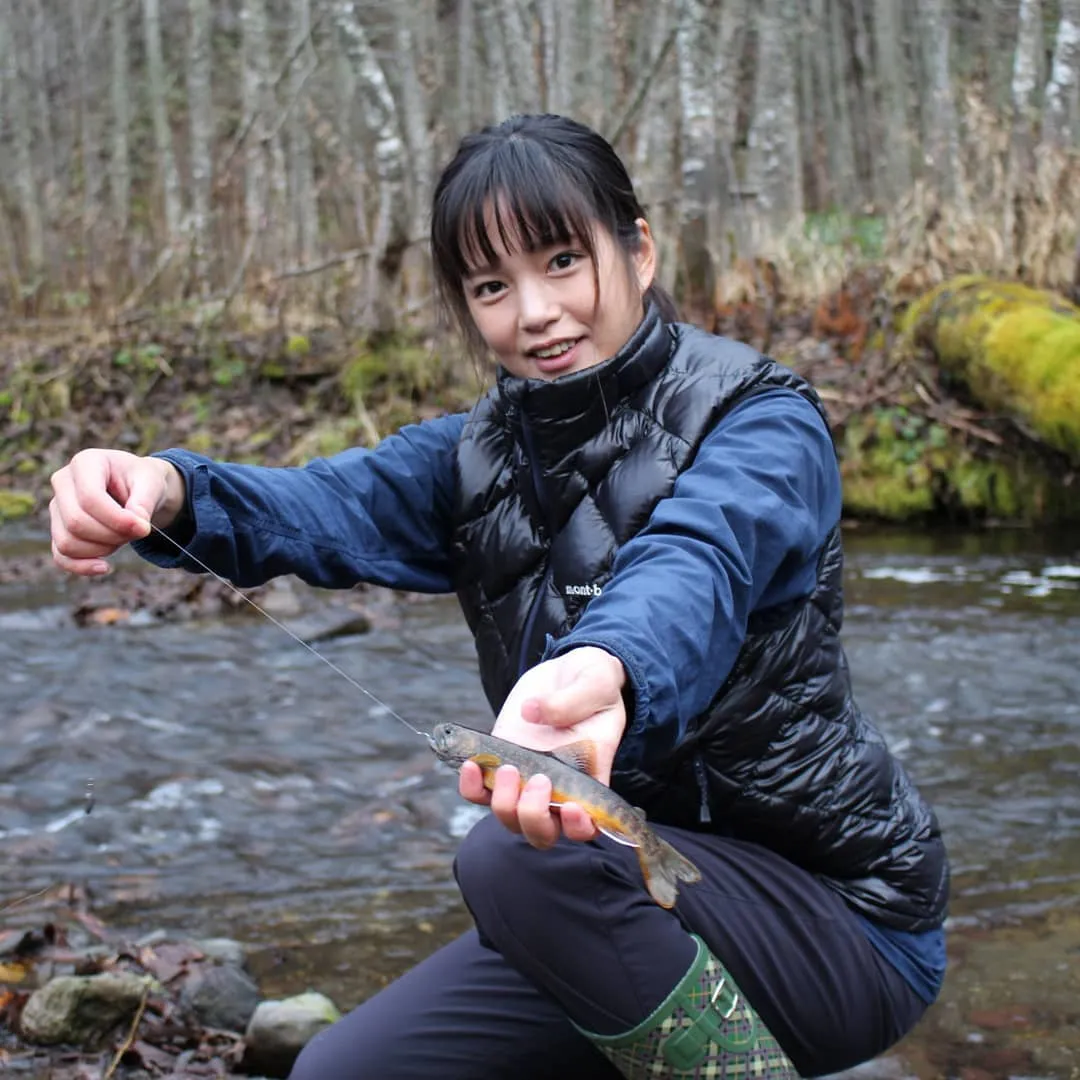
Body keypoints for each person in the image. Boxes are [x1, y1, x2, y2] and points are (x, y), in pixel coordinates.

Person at [49, 114, 949, 1080]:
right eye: (491, 286)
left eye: (564, 261)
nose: (534, 313)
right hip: (614, 901)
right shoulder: (469, 459)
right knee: (339, 1073)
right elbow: (315, 504)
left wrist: (604, 670)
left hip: (842, 922)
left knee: (508, 860)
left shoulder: (764, 418)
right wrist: (165, 488)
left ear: (639, 251)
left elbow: (700, 562)